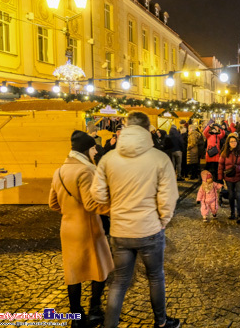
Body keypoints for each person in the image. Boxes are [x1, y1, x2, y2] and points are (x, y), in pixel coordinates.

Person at [90, 112, 180, 328]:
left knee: (120, 281)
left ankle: (109, 325)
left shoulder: (108, 158)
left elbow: (98, 194)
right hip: (150, 228)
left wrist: (113, 209)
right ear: (148, 129)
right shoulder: (159, 158)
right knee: (156, 276)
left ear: (126, 127)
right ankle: (161, 322)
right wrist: (163, 220)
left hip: (120, 230)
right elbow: (169, 196)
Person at [49, 131, 114, 328]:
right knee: (101, 269)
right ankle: (94, 309)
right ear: (86, 150)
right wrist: (116, 210)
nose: (95, 152)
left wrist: (70, 213)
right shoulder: (86, 171)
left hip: (68, 228)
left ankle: (76, 316)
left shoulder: (59, 171)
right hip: (88, 228)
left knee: (73, 273)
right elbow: (92, 204)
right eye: (94, 148)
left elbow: (52, 203)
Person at [218, 135, 240, 224]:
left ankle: (239, 215)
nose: (233, 143)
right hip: (229, 177)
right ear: (228, 143)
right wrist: (220, 177)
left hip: (239, 177)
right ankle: (232, 213)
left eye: (235, 141)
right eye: (231, 141)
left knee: (239, 196)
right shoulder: (224, 153)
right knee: (231, 195)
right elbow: (221, 166)